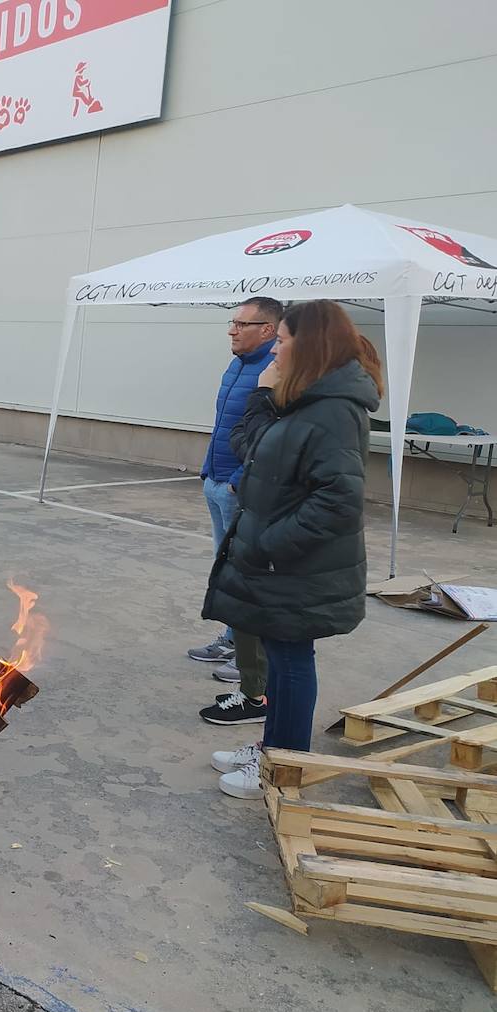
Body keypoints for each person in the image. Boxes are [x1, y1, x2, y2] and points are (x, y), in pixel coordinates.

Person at [204, 300, 382, 799]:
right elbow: (258, 450)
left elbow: (339, 500)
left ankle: (285, 769)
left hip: (297, 562)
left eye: (280, 340)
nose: (275, 349)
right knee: (282, 656)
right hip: (281, 560)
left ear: (308, 344)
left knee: (292, 660)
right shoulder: (303, 399)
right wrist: (261, 399)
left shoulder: (333, 411)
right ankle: (271, 750)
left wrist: (270, 545)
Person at [190, 298, 281, 727]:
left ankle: (254, 674)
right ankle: (232, 639)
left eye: (243, 324)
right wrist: (210, 470)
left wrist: (239, 479)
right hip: (217, 478)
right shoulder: (240, 365)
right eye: (233, 322)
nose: (232, 330)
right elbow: (225, 423)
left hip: (236, 486)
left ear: (268, 330)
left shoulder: (274, 371)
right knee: (223, 570)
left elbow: (268, 434)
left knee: (243, 575)